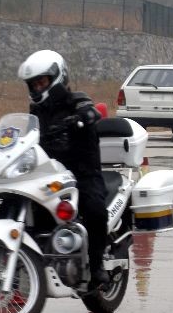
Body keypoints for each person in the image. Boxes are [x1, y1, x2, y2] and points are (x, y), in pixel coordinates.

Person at [18, 49, 109, 286]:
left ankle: (97, 264)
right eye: (33, 84)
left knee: (95, 209)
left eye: (42, 82)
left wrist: (86, 116)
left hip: (82, 173)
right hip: (49, 174)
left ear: (57, 77)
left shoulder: (76, 101)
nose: (38, 88)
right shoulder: (36, 111)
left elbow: (89, 109)